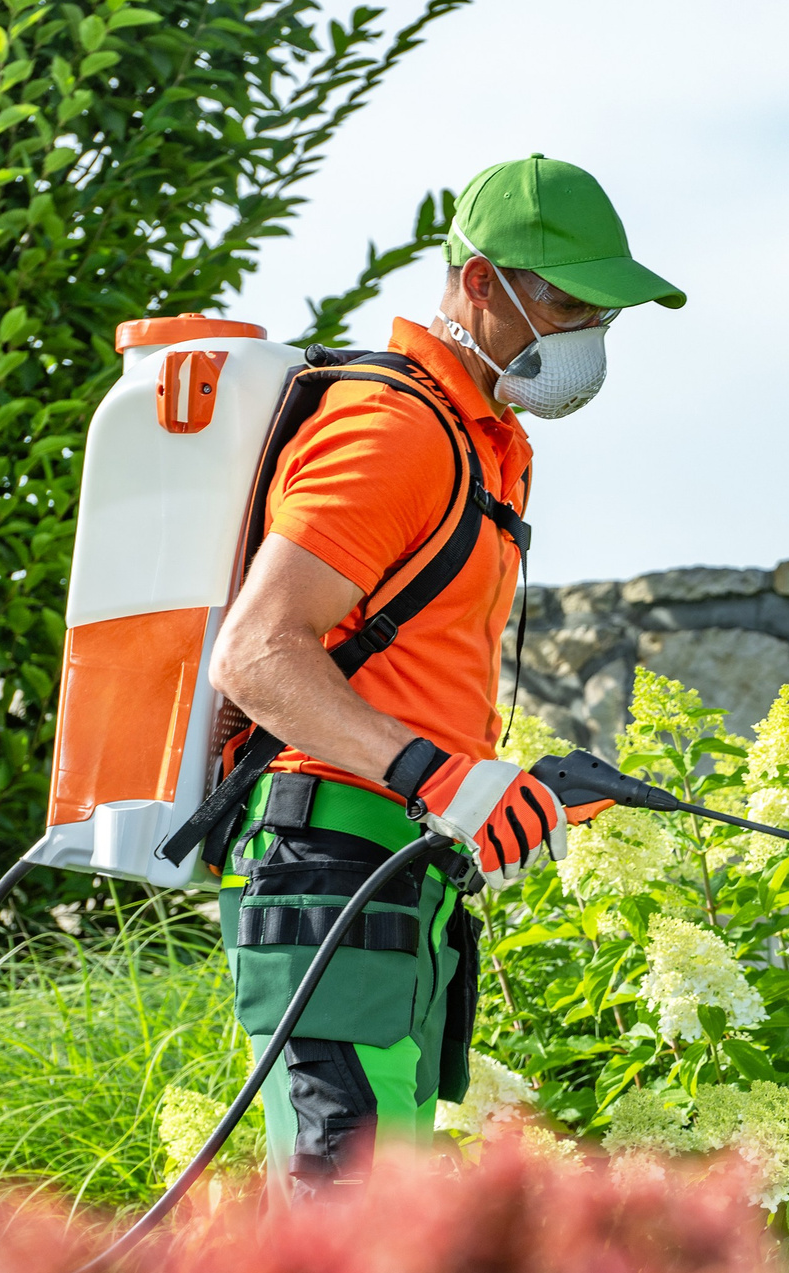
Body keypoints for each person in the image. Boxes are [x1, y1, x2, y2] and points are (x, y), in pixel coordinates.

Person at [203, 155, 682, 1192]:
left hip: (395, 882)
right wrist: (438, 775)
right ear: (478, 283)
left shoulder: (483, 442)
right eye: (569, 304)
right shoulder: (396, 433)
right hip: (330, 869)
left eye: (605, 314)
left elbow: (405, 670)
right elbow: (256, 652)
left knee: (388, 1236)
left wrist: (496, 786)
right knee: (351, 1238)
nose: (590, 336)